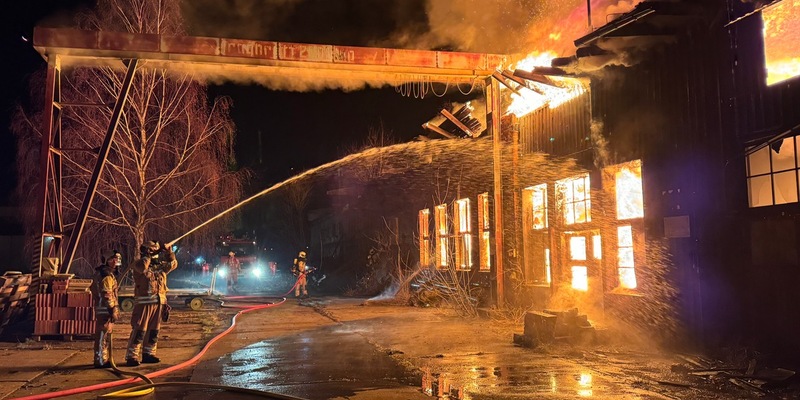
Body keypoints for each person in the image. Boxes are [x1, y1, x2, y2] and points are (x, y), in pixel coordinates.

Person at [124, 240, 177, 367]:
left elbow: (173, 264)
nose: (156, 253)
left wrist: (169, 253)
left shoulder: (159, 266)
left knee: (154, 331)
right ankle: (132, 356)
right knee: (139, 331)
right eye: (153, 250)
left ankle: (149, 354)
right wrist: (149, 256)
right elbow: (142, 268)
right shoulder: (138, 264)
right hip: (143, 305)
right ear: (147, 250)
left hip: (159, 303)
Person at [91, 249, 121, 368]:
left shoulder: (105, 273)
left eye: (116, 259)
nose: (115, 262)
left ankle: (103, 358)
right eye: (112, 259)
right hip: (105, 309)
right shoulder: (106, 275)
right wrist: (112, 308)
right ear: (106, 260)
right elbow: (106, 293)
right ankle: (99, 360)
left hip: (103, 308)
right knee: (102, 335)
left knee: (105, 335)